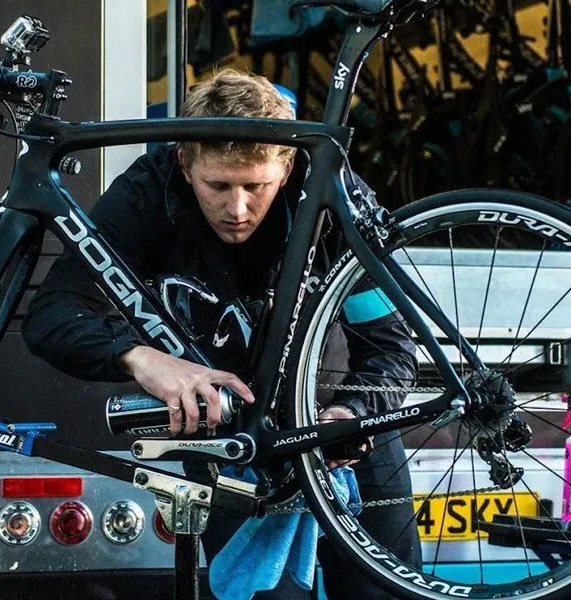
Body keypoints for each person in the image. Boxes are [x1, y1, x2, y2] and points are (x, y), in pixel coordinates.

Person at [22, 68, 422, 599]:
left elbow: (391, 343)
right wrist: (141, 359)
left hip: (340, 422)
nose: (238, 209)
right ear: (185, 163)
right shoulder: (146, 192)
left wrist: (356, 415)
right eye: (219, 185)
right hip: (227, 433)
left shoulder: (327, 192)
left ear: (286, 166)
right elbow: (54, 311)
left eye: (257, 187)